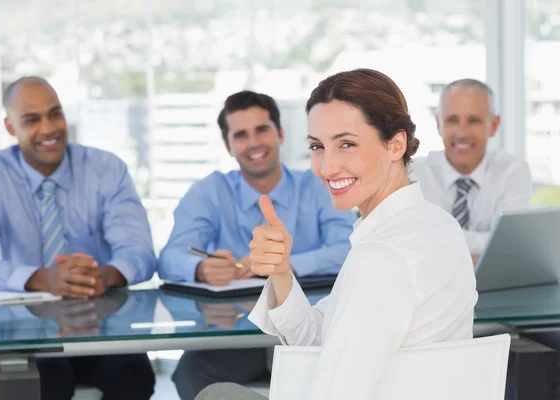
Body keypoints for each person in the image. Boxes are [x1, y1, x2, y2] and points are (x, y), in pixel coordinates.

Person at [195, 69, 478, 400]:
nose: (327, 167)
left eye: (347, 144)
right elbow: (319, 338)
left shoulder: (382, 257)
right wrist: (281, 271)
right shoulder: (437, 224)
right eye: (317, 146)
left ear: (396, 145)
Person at [0, 76, 156, 400]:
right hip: (26, 331)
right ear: (10, 127)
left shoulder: (107, 169)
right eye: (32, 120)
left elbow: (141, 252)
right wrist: (41, 278)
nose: (49, 128)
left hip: (101, 325)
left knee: (134, 377)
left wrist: (104, 275)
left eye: (55, 114)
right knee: (44, 383)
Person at [158, 90, 355, 400]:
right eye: (241, 135)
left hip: (313, 334)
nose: (253, 143)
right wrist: (201, 268)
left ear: (280, 133)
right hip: (238, 341)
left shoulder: (316, 185)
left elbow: (348, 248)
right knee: (190, 372)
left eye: (262, 129)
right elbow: (169, 256)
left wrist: (282, 265)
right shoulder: (210, 190)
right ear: (228, 145)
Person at [410, 79, 532, 264]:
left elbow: (511, 245)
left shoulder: (512, 171)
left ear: (493, 125)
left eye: (474, 121)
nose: (462, 133)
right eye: (452, 120)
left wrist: (439, 244)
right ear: (438, 124)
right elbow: (411, 241)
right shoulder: (414, 174)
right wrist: (485, 251)